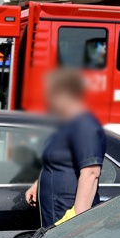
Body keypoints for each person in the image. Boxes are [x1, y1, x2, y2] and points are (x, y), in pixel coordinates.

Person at [25, 68, 106, 228]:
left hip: (69, 221)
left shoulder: (84, 125)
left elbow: (91, 173)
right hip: (55, 218)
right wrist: (38, 184)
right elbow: (57, 162)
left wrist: (77, 217)